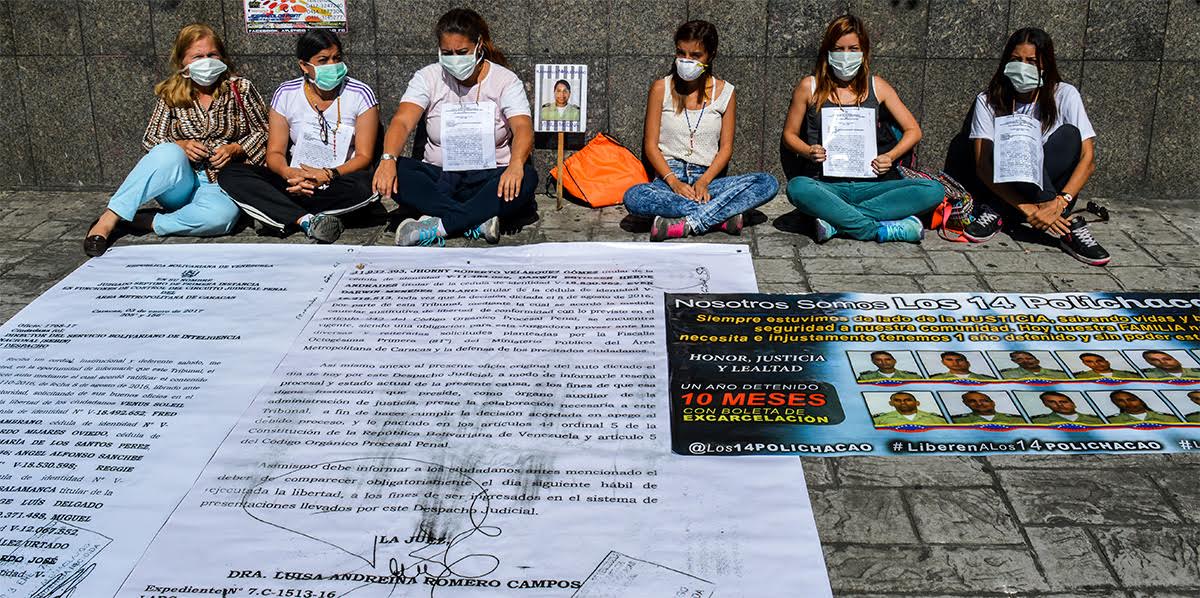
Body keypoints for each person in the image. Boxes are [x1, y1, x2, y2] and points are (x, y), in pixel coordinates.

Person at [83, 24, 268, 256]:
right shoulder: (172, 93)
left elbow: (265, 131)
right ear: (183, 62)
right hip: (181, 181)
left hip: (222, 182)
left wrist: (236, 148)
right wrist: (181, 145)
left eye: (212, 55)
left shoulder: (240, 88)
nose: (206, 61)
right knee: (167, 152)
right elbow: (151, 138)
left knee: (222, 219)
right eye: (197, 56)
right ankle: (108, 219)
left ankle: (148, 222)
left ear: (222, 57)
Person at [373, 8, 537, 246]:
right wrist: (388, 159)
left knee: (526, 179)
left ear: (479, 45)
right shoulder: (427, 77)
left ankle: (440, 226)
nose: (454, 59)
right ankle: (476, 219)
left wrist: (515, 165)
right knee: (396, 170)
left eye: (462, 52)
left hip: (489, 177)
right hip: (440, 178)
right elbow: (402, 120)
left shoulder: (505, 80)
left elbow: (522, 126)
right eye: (447, 53)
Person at [781, 15, 943, 244]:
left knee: (933, 190)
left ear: (864, 51)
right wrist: (809, 151)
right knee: (797, 188)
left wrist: (890, 156)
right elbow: (789, 135)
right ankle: (876, 230)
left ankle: (837, 221)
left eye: (853, 49)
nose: (846, 56)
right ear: (828, 52)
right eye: (839, 49)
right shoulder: (809, 86)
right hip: (826, 185)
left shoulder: (878, 87)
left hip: (872, 185)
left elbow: (913, 130)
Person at [961, 28, 1109, 266]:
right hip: (1009, 183)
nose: (1023, 67)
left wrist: (1059, 202)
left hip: (1057, 192)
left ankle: (1004, 211)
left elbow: (1088, 159)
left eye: (1031, 61)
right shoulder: (987, 100)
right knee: (1018, 141)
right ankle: (1066, 228)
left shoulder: (1065, 94)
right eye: (1016, 60)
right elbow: (982, 166)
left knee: (1070, 135)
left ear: (1045, 65)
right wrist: (1028, 209)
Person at [217, 31, 379, 243]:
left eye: (336, 58)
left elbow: (364, 157)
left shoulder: (360, 94)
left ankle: (277, 211)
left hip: (337, 180)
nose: (332, 65)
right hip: (295, 183)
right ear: (304, 66)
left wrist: (328, 174)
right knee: (231, 174)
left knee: (367, 186)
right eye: (323, 60)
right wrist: (288, 173)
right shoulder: (286, 93)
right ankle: (305, 219)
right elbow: (274, 152)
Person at [623, 20, 778, 241]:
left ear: (710, 55)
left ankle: (690, 222)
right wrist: (674, 183)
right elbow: (650, 145)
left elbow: (725, 148)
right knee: (634, 196)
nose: (687, 61)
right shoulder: (661, 88)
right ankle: (720, 217)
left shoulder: (726, 92)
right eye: (681, 53)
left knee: (767, 182)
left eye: (695, 55)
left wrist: (704, 181)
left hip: (709, 180)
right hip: (669, 180)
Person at [1105, 390, 1180, 424]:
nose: (1128, 403)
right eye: (1121, 401)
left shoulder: (1170, 419)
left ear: (1141, 401)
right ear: (1115, 404)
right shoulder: (1111, 421)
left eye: (1131, 400)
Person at [871, 392, 946, 425]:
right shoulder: (879, 420)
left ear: (917, 403)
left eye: (908, 400)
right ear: (891, 403)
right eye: (897, 400)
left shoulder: (936, 419)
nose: (903, 403)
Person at [951, 391, 1025, 424]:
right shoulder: (957, 421)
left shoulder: (1018, 420)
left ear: (993, 403)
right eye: (972, 401)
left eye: (984, 401)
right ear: (966, 404)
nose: (979, 404)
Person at [1030, 391, 1103, 424]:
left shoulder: (1097, 420)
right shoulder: (1038, 422)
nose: (1060, 405)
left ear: (1073, 404)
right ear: (1046, 405)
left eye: (1064, 402)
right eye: (1052, 402)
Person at [997, 350, 1069, 380]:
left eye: (1029, 358)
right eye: (1020, 359)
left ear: (1037, 361)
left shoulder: (1060, 375)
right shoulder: (1005, 375)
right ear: (1014, 361)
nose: (1025, 361)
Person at [928, 351, 998, 381]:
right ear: (943, 362)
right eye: (949, 360)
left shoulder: (988, 379)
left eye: (959, 360)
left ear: (968, 363)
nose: (955, 363)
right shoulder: (935, 379)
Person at [856, 350, 921, 381]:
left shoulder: (913, 377)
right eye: (879, 360)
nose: (884, 362)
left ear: (894, 361)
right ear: (873, 362)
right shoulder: (865, 378)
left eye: (888, 359)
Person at [1073, 352, 1141, 380]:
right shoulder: (1080, 377)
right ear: (1085, 364)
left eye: (1099, 361)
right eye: (1090, 362)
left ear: (1107, 362)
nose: (1096, 364)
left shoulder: (1131, 376)